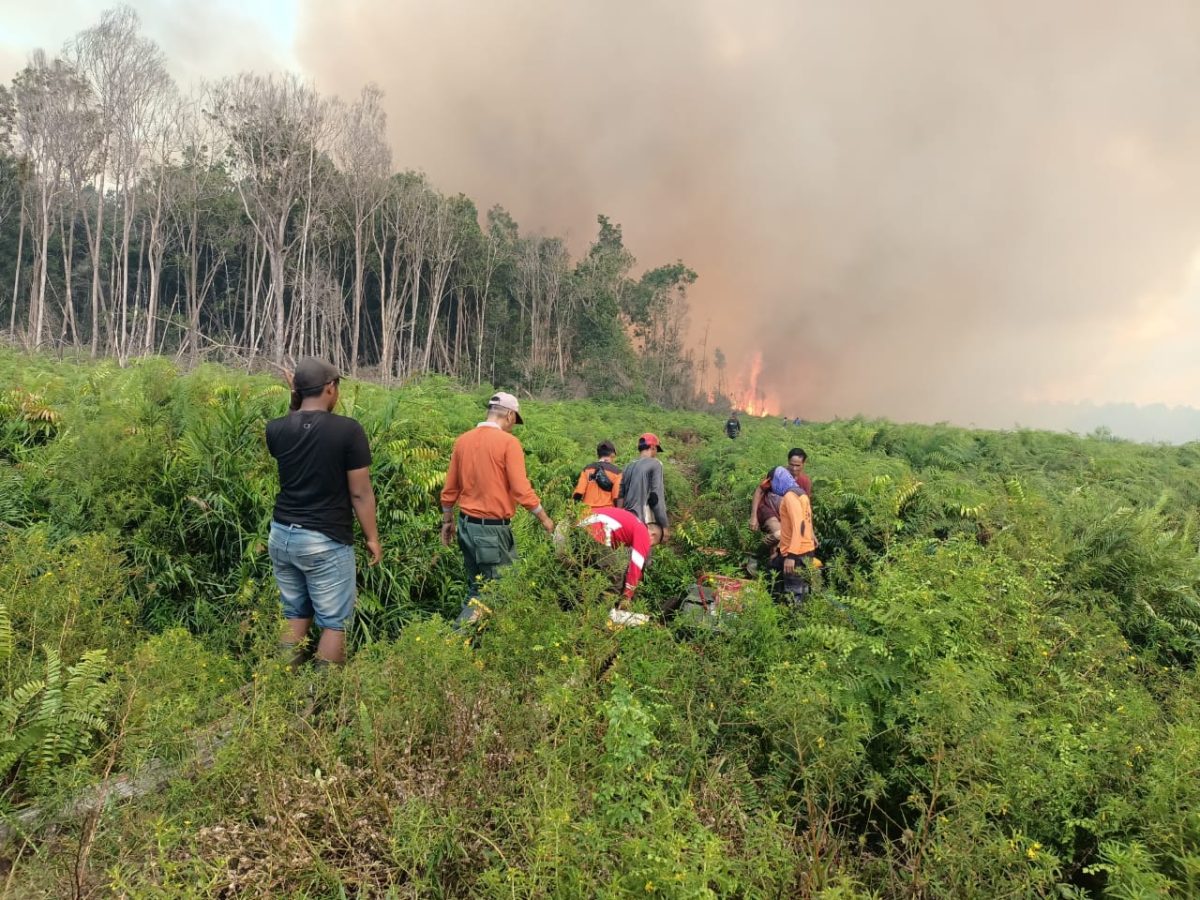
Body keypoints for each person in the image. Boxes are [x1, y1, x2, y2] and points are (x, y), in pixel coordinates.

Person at [266, 358, 382, 668]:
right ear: (330, 387)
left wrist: (296, 396)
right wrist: (372, 537)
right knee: (334, 622)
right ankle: (323, 692)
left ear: (298, 390)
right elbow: (360, 492)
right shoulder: (348, 431)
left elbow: (296, 426)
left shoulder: (275, 429)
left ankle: (280, 683)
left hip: (282, 536)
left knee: (294, 613)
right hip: (324, 540)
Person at [440, 391, 555, 629]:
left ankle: (476, 640)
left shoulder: (463, 440)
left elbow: (450, 488)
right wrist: (545, 519)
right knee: (496, 588)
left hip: (466, 526)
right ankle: (454, 639)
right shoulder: (508, 443)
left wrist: (447, 521)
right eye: (514, 421)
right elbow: (521, 489)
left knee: (478, 587)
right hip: (490, 531)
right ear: (510, 415)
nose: (513, 426)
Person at [578, 506, 652, 605]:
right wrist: (627, 596)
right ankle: (605, 612)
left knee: (585, 573)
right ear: (653, 535)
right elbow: (636, 565)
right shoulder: (643, 532)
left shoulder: (630, 522)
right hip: (594, 530)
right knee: (614, 574)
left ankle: (578, 607)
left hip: (579, 525)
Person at [768, 466, 817, 605]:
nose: (772, 487)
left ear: (778, 480)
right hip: (805, 550)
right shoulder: (801, 494)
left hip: (797, 553)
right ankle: (779, 607)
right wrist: (779, 550)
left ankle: (792, 615)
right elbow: (792, 528)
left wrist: (791, 556)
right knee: (775, 570)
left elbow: (799, 526)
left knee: (794, 593)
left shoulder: (790, 496)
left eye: (771, 482)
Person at [618, 433, 669, 546]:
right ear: (652, 447)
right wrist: (664, 526)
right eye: (656, 449)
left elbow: (620, 496)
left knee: (630, 553)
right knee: (643, 553)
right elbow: (656, 498)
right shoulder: (655, 464)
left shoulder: (627, 466)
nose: (656, 453)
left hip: (627, 521)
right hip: (644, 522)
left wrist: (621, 519)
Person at [750, 447, 812, 536]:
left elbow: (805, 506)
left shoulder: (805, 481)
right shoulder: (779, 474)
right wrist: (753, 516)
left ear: (803, 464)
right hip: (768, 510)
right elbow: (759, 491)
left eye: (797, 465)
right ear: (788, 462)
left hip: (787, 515)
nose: (794, 468)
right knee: (779, 534)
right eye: (791, 464)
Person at [572, 440, 622, 512]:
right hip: (608, 513)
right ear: (612, 455)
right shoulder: (617, 472)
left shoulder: (587, 470)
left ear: (598, 454)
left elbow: (578, 493)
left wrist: (573, 511)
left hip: (587, 513)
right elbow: (616, 497)